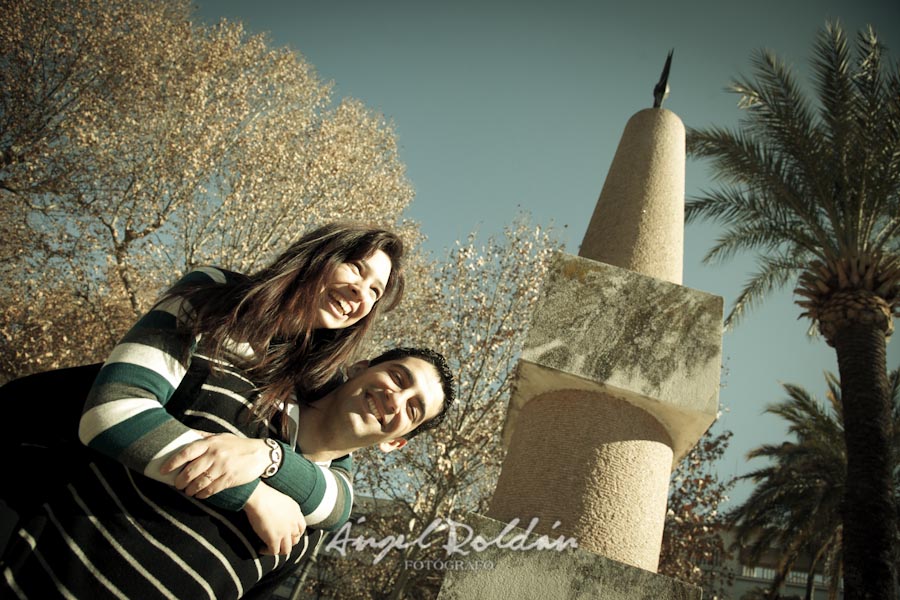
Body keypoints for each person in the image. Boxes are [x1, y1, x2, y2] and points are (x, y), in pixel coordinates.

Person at [0, 346, 455, 599]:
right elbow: (68, 407)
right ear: (359, 369)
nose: (397, 398)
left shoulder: (310, 529)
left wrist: (270, 459)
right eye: (398, 377)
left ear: (397, 442)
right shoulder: (234, 383)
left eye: (413, 408)